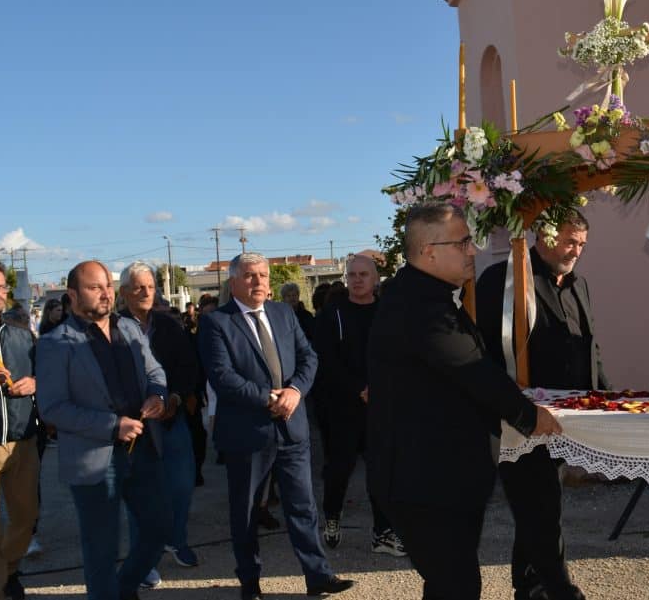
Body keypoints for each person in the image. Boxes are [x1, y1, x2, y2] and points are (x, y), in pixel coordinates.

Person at [366, 202, 563, 600]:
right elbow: (474, 371)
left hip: (439, 478)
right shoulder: (419, 307)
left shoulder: (428, 296)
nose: (473, 250)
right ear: (429, 252)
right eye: (463, 243)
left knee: (450, 585)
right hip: (423, 482)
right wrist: (529, 416)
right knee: (456, 586)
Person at [197, 252, 354, 600]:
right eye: (250, 275)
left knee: (303, 506)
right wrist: (270, 399)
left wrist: (295, 391)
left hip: (292, 428)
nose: (259, 282)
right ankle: (250, 582)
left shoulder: (283, 313)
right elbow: (223, 377)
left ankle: (318, 576)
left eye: (263, 275)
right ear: (233, 282)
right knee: (246, 511)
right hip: (247, 433)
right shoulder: (216, 323)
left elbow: (309, 357)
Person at [476, 210, 606, 600]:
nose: (576, 251)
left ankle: (529, 584)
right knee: (542, 508)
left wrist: (603, 394)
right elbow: (482, 352)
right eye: (569, 241)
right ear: (545, 236)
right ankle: (560, 589)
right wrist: (510, 406)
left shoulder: (580, 284)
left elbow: (588, 346)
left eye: (582, 244)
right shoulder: (503, 280)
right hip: (522, 417)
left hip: (568, 418)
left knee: (538, 506)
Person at [37, 260, 170, 600]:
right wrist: (113, 426)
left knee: (158, 529)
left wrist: (157, 395)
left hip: (143, 449)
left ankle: (123, 589)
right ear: (72, 295)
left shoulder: (129, 328)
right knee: (101, 548)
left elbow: (155, 372)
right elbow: (52, 408)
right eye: (94, 287)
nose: (105, 293)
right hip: (94, 459)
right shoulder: (55, 343)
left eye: (108, 286)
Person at [314, 255, 403, 556]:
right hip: (341, 408)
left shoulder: (387, 313)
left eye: (364, 274)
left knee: (381, 470)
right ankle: (332, 515)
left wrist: (382, 388)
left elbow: (396, 355)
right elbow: (326, 360)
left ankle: (383, 533)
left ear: (376, 278)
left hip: (381, 407)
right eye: (352, 274)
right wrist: (358, 388)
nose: (357, 279)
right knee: (339, 468)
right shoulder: (332, 314)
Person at [118, 262, 202, 576]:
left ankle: (176, 540)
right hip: (135, 426)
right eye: (139, 287)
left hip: (171, 419)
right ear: (124, 292)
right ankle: (144, 560)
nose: (146, 292)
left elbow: (188, 366)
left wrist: (176, 398)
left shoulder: (168, 326)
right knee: (141, 497)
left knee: (182, 486)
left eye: (151, 286)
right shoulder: (112, 327)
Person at [0, 259, 39, 600]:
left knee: (26, 519)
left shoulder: (22, 335)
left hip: (22, 444)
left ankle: (9, 570)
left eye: (1, 286)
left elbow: (46, 375)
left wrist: (35, 383)